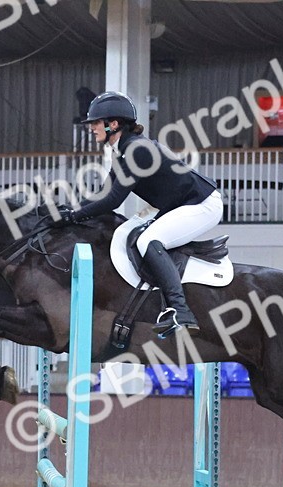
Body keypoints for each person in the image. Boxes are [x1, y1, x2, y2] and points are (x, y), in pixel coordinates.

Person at [54, 91, 222, 338]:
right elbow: (104, 193)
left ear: (113, 124)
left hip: (202, 204)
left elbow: (113, 200)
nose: (91, 129)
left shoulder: (136, 150)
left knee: (148, 241)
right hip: (178, 204)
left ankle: (180, 310)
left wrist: (75, 217)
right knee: (128, 234)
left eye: (95, 123)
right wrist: (71, 210)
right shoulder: (122, 150)